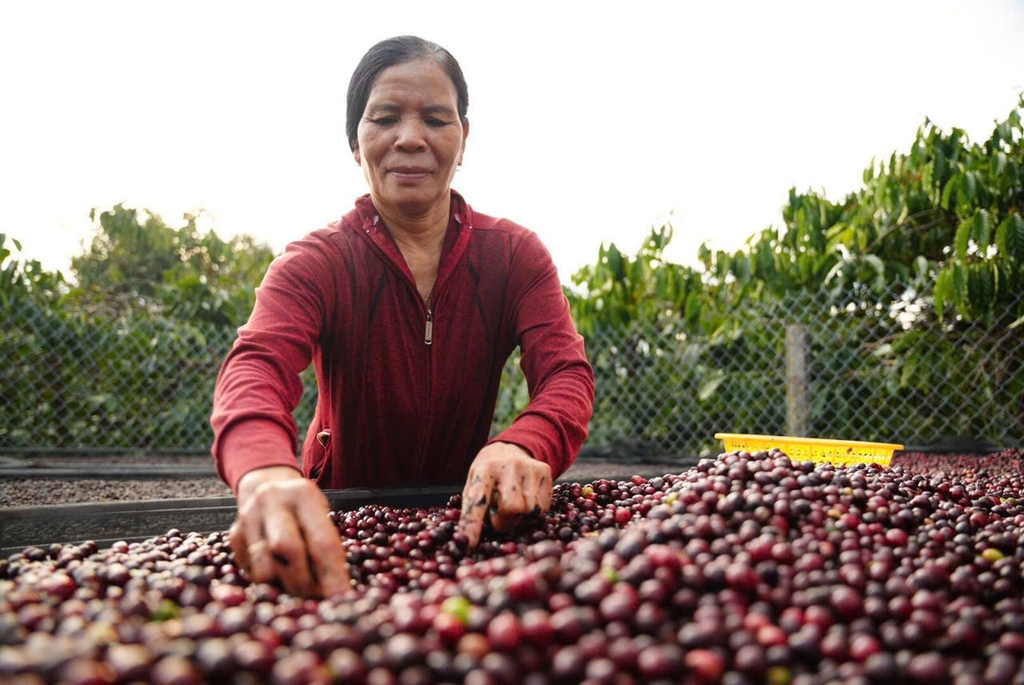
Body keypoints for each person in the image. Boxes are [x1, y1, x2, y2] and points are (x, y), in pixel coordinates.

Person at [210, 35, 595, 598]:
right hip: (336, 521)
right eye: (385, 117)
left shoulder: (514, 256)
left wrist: (523, 444)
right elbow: (256, 367)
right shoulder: (318, 262)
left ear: (463, 140)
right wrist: (264, 472)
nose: (410, 138)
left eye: (437, 119)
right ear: (355, 142)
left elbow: (566, 374)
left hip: (466, 522)